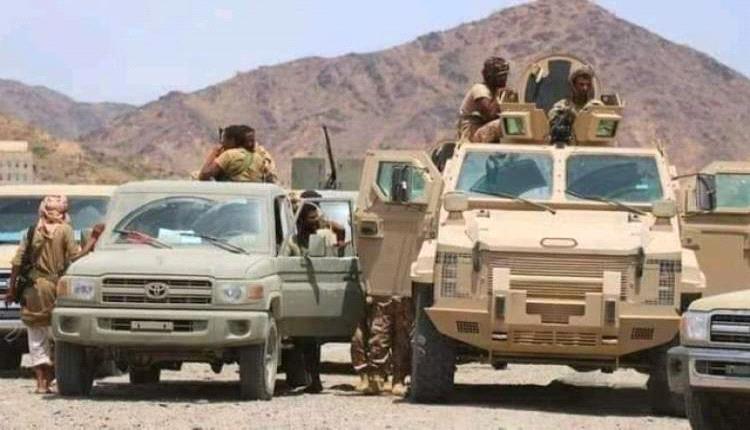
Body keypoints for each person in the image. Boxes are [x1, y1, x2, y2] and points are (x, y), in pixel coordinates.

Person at [4, 195, 104, 394]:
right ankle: (55, 379)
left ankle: (41, 383)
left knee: (36, 336)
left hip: (33, 290)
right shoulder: (65, 230)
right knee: (57, 335)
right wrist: (93, 239)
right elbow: (75, 257)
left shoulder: (31, 231)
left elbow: (17, 262)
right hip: (55, 288)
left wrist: (11, 290)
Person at [457, 56, 514, 143]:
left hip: (481, 131)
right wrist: (499, 94)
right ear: (490, 76)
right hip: (471, 134)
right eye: (500, 76)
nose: (504, 79)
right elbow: (491, 115)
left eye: (505, 75)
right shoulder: (480, 89)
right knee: (503, 124)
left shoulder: (495, 92)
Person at [198, 125, 278, 183]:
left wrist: (214, 153)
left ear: (232, 140)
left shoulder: (229, 155)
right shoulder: (259, 157)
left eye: (224, 140)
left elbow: (204, 175)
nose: (222, 143)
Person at [547, 65, 599, 143]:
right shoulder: (561, 107)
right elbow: (551, 128)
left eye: (588, 85)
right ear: (573, 86)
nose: (585, 88)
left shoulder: (596, 106)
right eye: (581, 84)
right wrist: (565, 117)